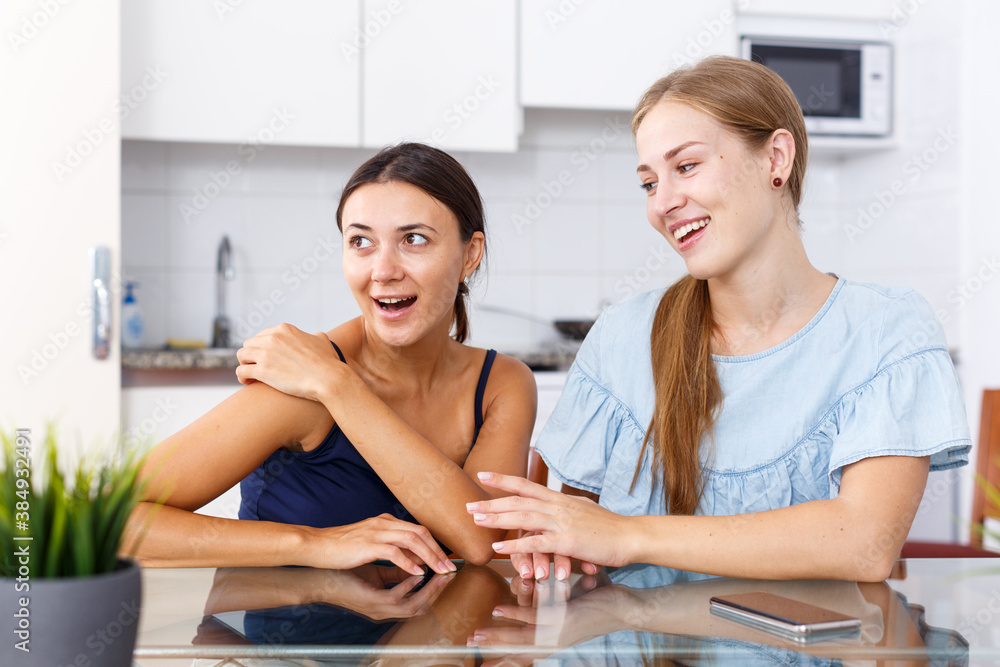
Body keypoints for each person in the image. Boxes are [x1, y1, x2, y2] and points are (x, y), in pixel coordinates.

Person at [466, 56, 971, 582]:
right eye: (648, 183)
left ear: (776, 158)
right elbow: (572, 547)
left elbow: (864, 544)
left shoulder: (886, 332)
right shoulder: (621, 337)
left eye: (686, 167)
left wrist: (627, 534)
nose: (663, 202)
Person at [125, 143, 537, 574]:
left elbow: (480, 539)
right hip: (285, 639)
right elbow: (108, 520)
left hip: (429, 638)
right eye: (361, 242)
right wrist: (311, 544)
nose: (382, 270)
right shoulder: (297, 388)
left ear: (470, 254)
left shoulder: (501, 384)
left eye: (413, 240)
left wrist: (339, 387)